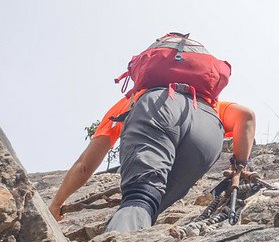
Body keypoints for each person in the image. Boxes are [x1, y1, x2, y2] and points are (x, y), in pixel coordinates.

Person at [49, 92, 255, 232]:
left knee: (140, 198)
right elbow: (246, 116)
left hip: (157, 112)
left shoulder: (136, 98)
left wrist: (56, 204)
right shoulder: (208, 101)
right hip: (209, 129)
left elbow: (84, 166)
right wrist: (240, 166)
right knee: (152, 205)